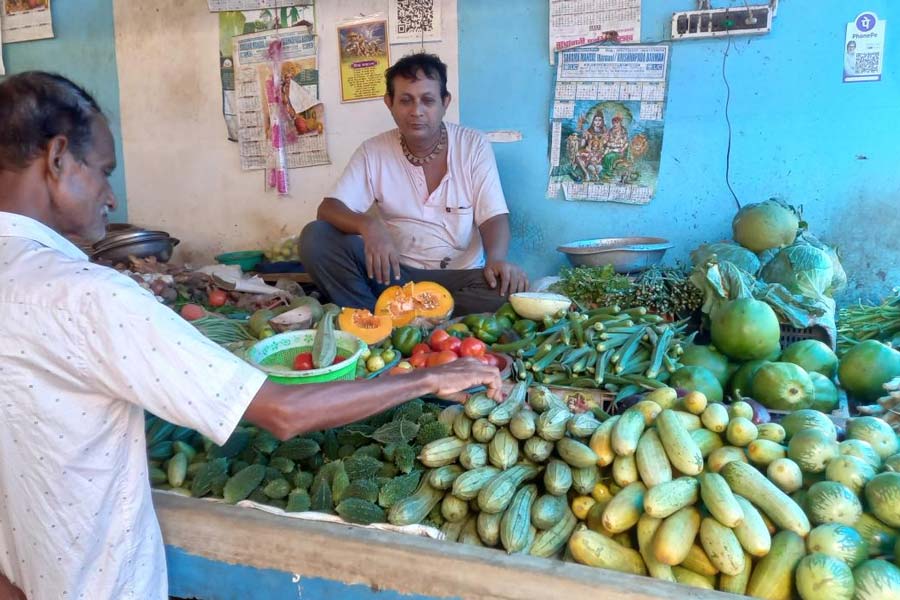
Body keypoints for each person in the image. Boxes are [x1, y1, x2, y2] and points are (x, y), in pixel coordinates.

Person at [0, 71, 502, 599]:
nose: (110, 197)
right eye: (104, 172)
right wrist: (429, 379)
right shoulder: (87, 297)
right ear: (58, 158)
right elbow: (283, 412)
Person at [299, 53, 528, 316]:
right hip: (395, 275)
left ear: (445, 102)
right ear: (390, 103)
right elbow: (328, 209)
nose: (416, 111)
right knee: (316, 238)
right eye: (405, 100)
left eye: (427, 100)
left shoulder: (473, 145)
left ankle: (397, 315)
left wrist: (497, 259)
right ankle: (373, 317)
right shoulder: (373, 151)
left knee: (509, 290)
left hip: (459, 277)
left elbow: (493, 216)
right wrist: (368, 225)